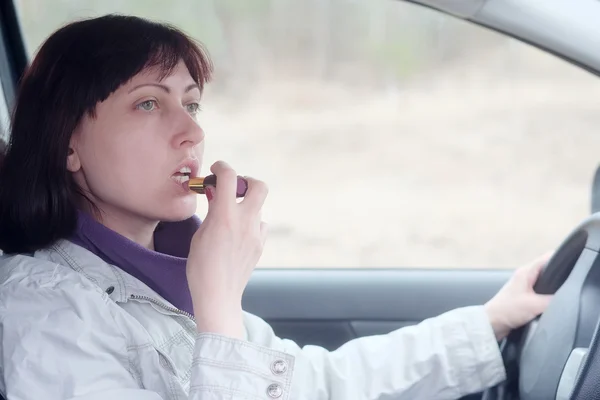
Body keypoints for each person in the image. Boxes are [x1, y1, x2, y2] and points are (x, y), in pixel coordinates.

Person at [0, 14, 553, 400]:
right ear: (67, 142)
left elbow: (320, 384)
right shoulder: (44, 314)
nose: (192, 131)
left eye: (192, 103)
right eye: (148, 103)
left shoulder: (155, 281)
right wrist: (218, 300)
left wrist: (488, 323)